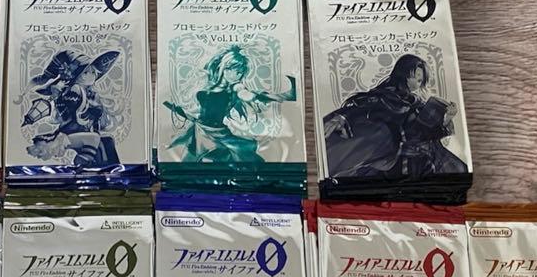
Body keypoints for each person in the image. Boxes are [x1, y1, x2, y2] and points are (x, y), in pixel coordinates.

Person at [323, 53, 466, 180]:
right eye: (413, 77)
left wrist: (446, 117)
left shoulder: (417, 104)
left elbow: (426, 131)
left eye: (419, 81)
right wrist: (342, 118)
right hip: (387, 158)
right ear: (402, 74)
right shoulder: (383, 96)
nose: (416, 83)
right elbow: (360, 108)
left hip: (416, 160)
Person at [164, 45, 298, 163]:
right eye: (237, 71)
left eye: (241, 73)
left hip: (217, 134)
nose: (239, 76)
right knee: (187, 162)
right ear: (226, 68)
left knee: (230, 160)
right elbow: (202, 110)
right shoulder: (209, 84)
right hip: (199, 129)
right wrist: (182, 111)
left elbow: (244, 93)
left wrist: (252, 95)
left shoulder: (235, 87)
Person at [23, 50, 120, 168]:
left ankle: (111, 169)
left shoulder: (89, 92)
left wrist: (96, 112)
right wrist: (88, 111)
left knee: (108, 140)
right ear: (75, 75)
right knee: (94, 139)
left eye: (93, 71)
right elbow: (68, 111)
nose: (91, 75)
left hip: (82, 131)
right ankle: (84, 162)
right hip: (69, 133)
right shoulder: (75, 89)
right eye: (85, 72)